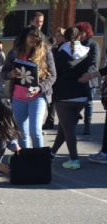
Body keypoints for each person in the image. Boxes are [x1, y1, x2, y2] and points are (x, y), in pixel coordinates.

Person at [1, 26, 56, 149]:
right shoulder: (15, 52)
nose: (33, 39)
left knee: (35, 132)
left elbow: (53, 76)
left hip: (37, 97)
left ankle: (40, 161)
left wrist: (39, 88)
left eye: (36, 36)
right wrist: (11, 74)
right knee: (22, 134)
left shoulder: (46, 52)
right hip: (18, 98)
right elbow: (3, 73)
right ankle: (27, 160)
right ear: (25, 37)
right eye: (31, 35)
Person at [50, 26, 92, 170]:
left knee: (68, 130)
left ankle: (74, 159)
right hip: (82, 95)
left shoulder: (60, 53)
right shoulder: (87, 51)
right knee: (65, 127)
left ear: (65, 37)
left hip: (64, 95)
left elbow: (54, 73)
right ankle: (52, 152)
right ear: (79, 36)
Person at [75, 22, 99, 135]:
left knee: (88, 103)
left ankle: (87, 127)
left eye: (81, 32)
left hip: (89, 78)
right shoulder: (76, 44)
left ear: (87, 32)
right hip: (78, 78)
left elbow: (94, 63)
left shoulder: (93, 45)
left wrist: (87, 75)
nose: (79, 34)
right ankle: (72, 121)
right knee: (76, 102)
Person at [43, 27, 65, 130]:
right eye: (56, 36)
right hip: (54, 79)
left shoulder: (64, 48)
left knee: (56, 103)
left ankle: (55, 122)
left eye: (59, 36)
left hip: (60, 79)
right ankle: (50, 121)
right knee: (51, 102)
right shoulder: (55, 48)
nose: (57, 38)